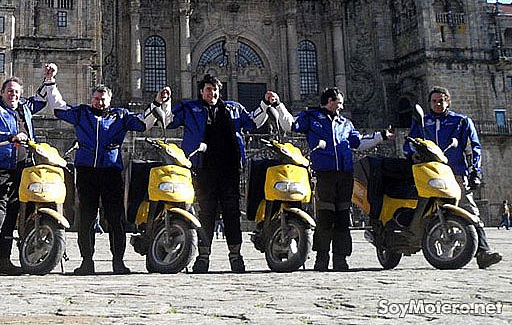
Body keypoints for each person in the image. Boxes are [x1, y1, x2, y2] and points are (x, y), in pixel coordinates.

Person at [156, 74, 293, 273]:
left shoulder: (233, 108)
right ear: (201, 91)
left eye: (215, 90)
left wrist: (265, 103)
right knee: (206, 213)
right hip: (202, 168)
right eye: (208, 89)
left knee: (232, 214)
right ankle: (202, 258)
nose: (212, 93)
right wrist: (165, 101)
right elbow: (168, 121)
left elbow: (254, 122)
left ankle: (236, 257)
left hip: (229, 168)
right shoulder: (190, 108)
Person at [42, 64, 161, 275]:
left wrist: (157, 104)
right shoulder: (82, 113)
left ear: (110, 100)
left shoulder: (120, 116)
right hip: (87, 171)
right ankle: (87, 261)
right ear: (92, 99)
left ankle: (118, 261)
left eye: (103, 98)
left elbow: (143, 124)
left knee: (115, 218)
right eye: (96, 98)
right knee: (86, 217)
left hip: (111, 172)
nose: (100, 101)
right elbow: (59, 108)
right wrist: (51, 82)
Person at [293, 87, 392, 272]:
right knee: (325, 216)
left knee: (343, 217)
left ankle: (341, 258)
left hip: (345, 174)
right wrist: (276, 106)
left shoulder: (345, 124)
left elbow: (358, 142)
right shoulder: (311, 118)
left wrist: (381, 136)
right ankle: (321, 258)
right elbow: (291, 125)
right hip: (325, 174)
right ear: (329, 101)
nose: (341, 105)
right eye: (338, 102)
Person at [403, 86, 503, 269]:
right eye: (434, 101)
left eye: (441, 101)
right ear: (429, 103)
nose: (438, 104)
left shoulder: (461, 121)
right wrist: (411, 154)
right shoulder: (422, 122)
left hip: (454, 174)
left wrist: (475, 171)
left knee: (470, 209)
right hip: (428, 172)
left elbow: (474, 147)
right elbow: (410, 143)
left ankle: (483, 251)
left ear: (448, 101)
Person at [0, 70, 50, 275]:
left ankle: (4, 259)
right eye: (10, 91)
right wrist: (11, 137)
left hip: (22, 168)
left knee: (12, 213)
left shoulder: (24, 108)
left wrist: (49, 79)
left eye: (17, 92)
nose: (13, 95)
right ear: (2, 92)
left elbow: (41, 100)